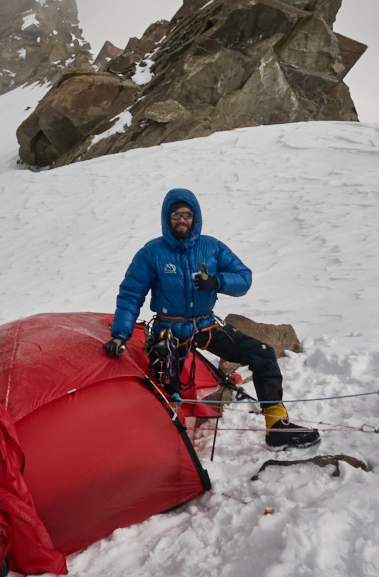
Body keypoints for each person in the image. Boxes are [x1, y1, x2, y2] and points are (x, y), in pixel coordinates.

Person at [104, 188, 320, 450]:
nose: (181, 219)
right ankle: (159, 446)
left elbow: (244, 278)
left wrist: (217, 282)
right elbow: (130, 295)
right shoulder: (151, 253)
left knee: (262, 353)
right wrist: (120, 334)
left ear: (195, 217)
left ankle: (277, 426)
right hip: (168, 333)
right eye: (176, 214)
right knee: (165, 389)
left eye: (187, 214)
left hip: (206, 327)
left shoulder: (212, 248)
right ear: (166, 217)